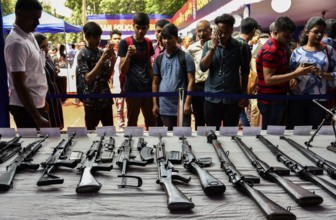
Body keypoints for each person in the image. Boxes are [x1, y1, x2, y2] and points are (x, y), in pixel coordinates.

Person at [256, 16, 317, 130]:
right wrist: (296, 74)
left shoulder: (280, 46)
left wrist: (292, 75)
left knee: (275, 132)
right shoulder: (272, 49)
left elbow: (280, 70)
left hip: (276, 98)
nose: (289, 39)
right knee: (271, 135)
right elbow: (269, 79)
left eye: (290, 35)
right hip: (271, 100)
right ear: (275, 32)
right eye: (285, 36)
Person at [4, 0, 50, 129]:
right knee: (34, 147)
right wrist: (37, 117)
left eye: (38, 18)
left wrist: (41, 100)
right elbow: (19, 84)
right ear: (19, 14)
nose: (37, 23)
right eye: (33, 18)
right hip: (25, 109)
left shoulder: (28, 36)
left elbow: (34, 73)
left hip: (34, 105)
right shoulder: (17, 43)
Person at [200, 14, 250, 130]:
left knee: (230, 133)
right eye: (220, 32)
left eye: (226, 32)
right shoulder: (208, 45)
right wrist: (213, 47)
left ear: (232, 30)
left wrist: (244, 93)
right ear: (215, 30)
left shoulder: (241, 46)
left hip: (232, 99)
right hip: (211, 98)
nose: (222, 35)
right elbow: (203, 67)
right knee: (212, 132)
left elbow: (245, 72)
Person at [287, 17, 336, 129]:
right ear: (307, 32)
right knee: (297, 131)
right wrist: (292, 78)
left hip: (320, 100)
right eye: (316, 31)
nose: (319, 35)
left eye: (321, 32)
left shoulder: (329, 50)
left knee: (316, 131)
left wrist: (323, 74)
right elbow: (290, 72)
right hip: (297, 99)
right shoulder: (297, 52)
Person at [152, 24, 195, 130]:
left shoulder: (186, 57)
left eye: (170, 38)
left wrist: (187, 103)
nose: (166, 41)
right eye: (164, 38)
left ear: (176, 38)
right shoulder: (159, 59)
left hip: (181, 105)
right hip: (164, 106)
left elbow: (191, 81)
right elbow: (155, 82)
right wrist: (155, 104)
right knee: (168, 137)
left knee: (183, 135)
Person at [118, 12, 156, 129]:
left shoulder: (148, 43)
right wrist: (129, 55)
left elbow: (149, 67)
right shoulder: (125, 43)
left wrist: (154, 88)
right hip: (132, 89)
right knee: (132, 123)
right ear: (133, 25)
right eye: (138, 27)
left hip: (147, 89)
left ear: (148, 28)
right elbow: (122, 70)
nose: (140, 31)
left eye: (143, 28)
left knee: (151, 123)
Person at [77, 21, 116, 130]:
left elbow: (106, 77)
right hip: (91, 101)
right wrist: (102, 59)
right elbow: (88, 78)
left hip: (105, 99)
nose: (98, 40)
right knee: (90, 132)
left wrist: (113, 62)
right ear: (87, 37)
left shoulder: (101, 52)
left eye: (99, 36)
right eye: (95, 37)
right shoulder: (82, 54)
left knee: (109, 131)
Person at [34, 33, 64, 129]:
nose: (46, 49)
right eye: (43, 46)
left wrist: (55, 69)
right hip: (45, 99)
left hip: (54, 96)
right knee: (49, 127)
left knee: (57, 125)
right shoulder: (35, 61)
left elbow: (51, 73)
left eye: (47, 45)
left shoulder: (47, 58)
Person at [186, 20, 212, 129]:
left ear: (210, 31)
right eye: (199, 31)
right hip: (197, 86)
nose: (201, 34)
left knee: (211, 117)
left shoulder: (215, 46)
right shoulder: (191, 48)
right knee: (199, 118)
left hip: (211, 86)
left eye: (204, 31)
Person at [235, 17, 259, 128]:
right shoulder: (244, 46)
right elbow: (242, 71)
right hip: (237, 87)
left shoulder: (233, 41)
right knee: (239, 114)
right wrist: (243, 92)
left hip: (228, 87)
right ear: (253, 31)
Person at [110, 29, 126, 129]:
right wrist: (111, 85)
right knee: (119, 106)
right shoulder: (108, 54)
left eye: (119, 38)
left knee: (128, 106)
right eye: (115, 38)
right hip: (116, 84)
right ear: (111, 40)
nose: (117, 41)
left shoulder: (125, 51)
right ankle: (121, 125)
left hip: (127, 82)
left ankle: (129, 125)